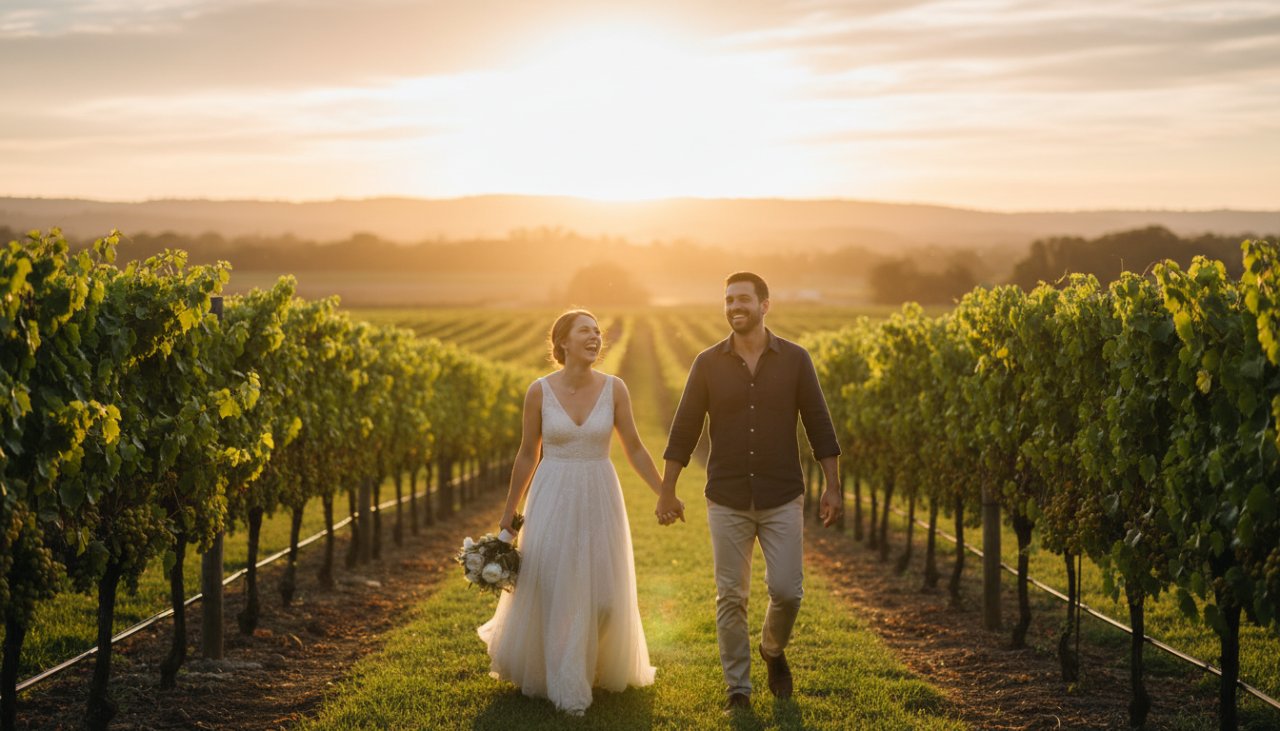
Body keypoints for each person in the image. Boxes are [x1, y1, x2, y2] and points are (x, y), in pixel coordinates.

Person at [655, 272, 842, 713]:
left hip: (782, 494)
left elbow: (819, 423)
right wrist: (667, 490)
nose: (734, 306)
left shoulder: (796, 360)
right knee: (731, 596)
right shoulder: (707, 363)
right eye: (728, 300)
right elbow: (684, 428)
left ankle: (772, 651)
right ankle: (738, 689)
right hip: (727, 496)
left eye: (743, 299)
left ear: (764, 305)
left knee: (788, 591)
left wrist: (833, 486)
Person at [478, 309, 662, 716]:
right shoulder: (539, 391)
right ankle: (565, 683)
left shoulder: (615, 388)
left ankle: (594, 663)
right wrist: (510, 510)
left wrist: (663, 491)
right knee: (555, 586)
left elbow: (633, 445)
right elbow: (528, 453)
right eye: (586, 331)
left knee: (605, 596)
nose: (596, 337)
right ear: (563, 342)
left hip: (600, 492)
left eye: (598, 332)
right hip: (552, 492)